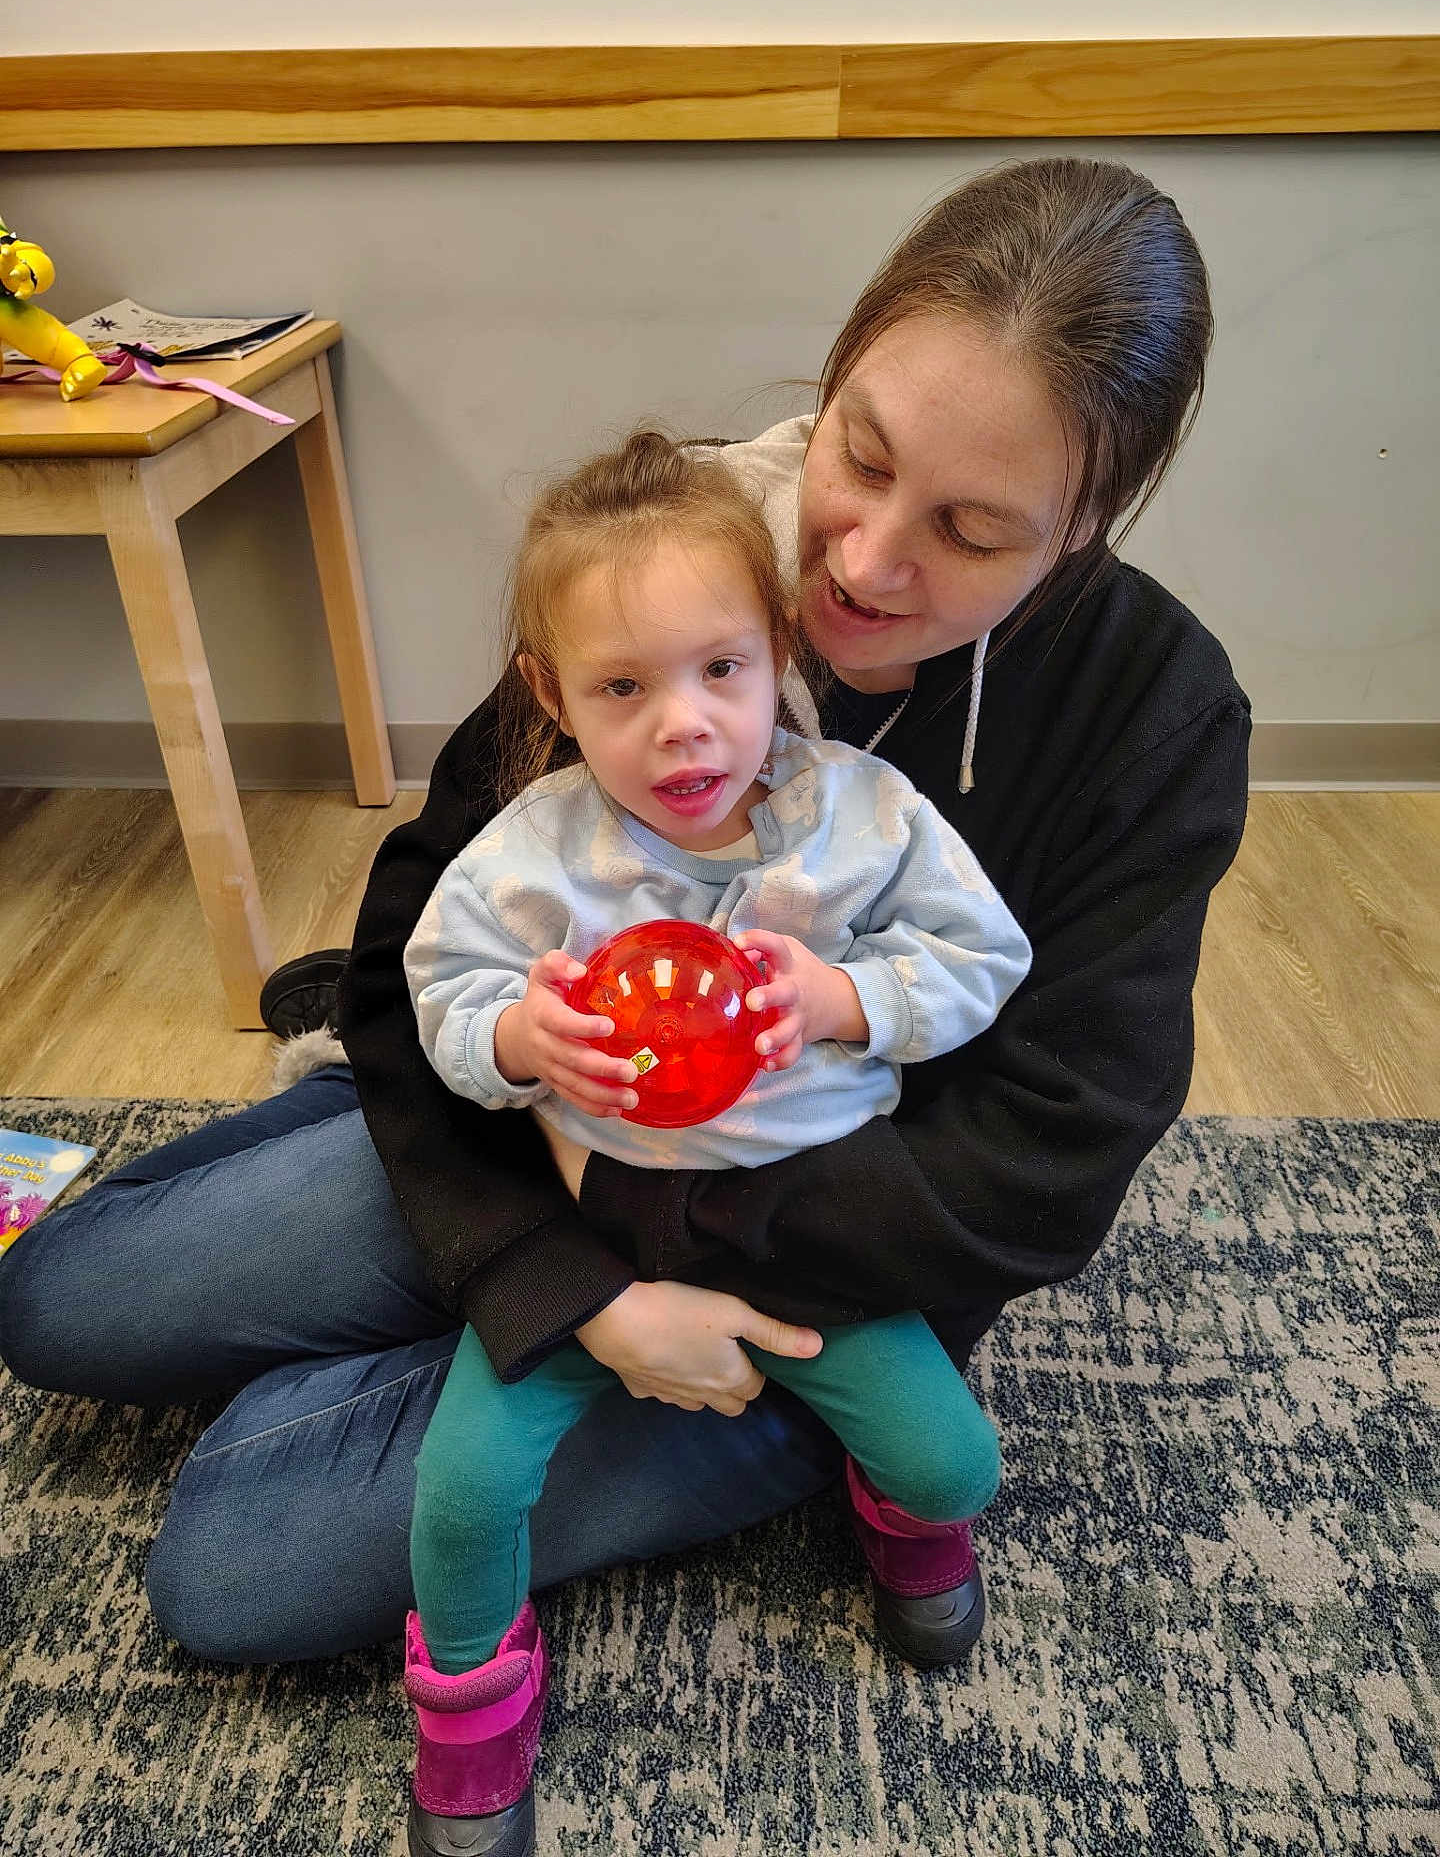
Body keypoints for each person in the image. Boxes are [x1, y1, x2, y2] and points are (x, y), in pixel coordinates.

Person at [0, 155, 1249, 1715]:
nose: (860, 564)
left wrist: (644, 1261)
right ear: (843, 360)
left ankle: (437, 1323)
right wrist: (552, 1267)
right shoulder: (677, 553)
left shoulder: (1157, 715)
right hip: (555, 1133)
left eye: (978, 531)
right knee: (56, 1305)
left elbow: (1047, 1167)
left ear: (1085, 529)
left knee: (232, 1564)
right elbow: (423, 946)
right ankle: (391, 1219)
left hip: (824, 1265)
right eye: (859, 454)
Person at [398, 428, 1032, 1853]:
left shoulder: (863, 820)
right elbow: (441, 989)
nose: (684, 726)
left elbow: (985, 960)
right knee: (461, 1490)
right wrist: (516, 1039)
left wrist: (846, 998)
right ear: (553, 695)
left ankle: (881, 1499)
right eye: (625, 687)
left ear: (778, 657)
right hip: (602, 1230)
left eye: (722, 671)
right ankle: (470, 1704)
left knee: (956, 1470)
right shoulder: (530, 852)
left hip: (812, 1224)